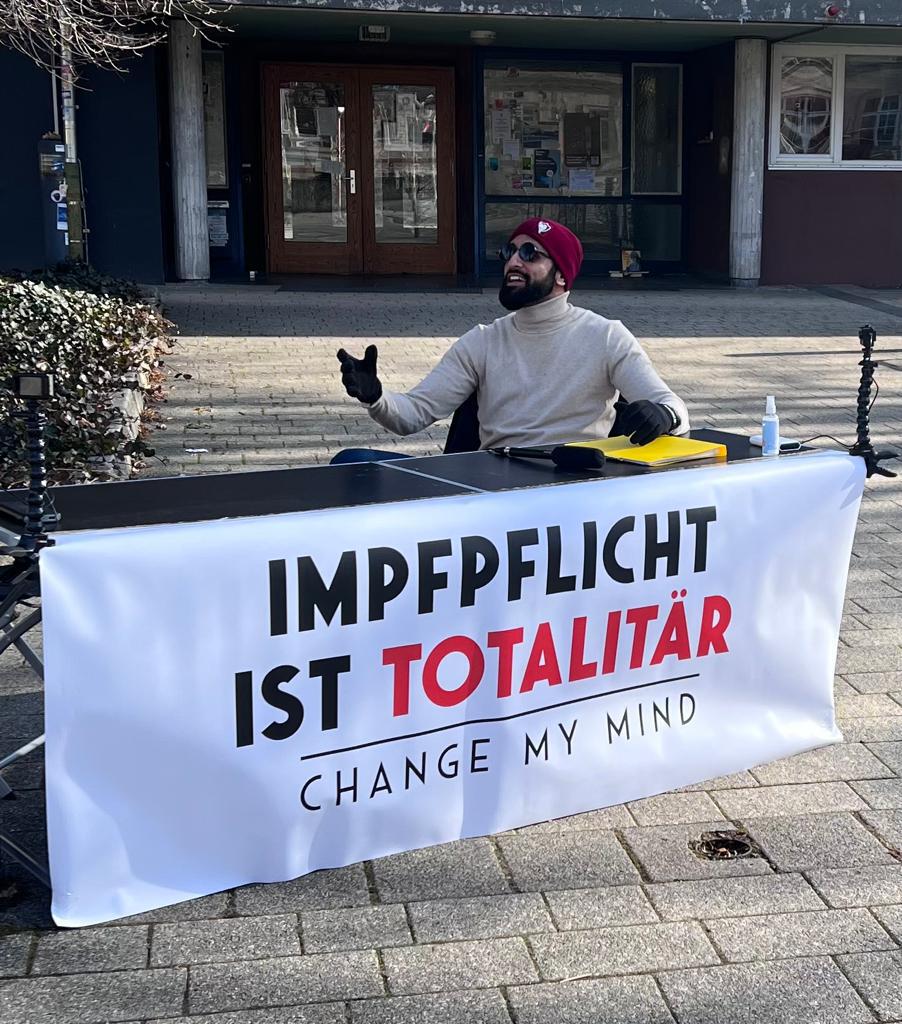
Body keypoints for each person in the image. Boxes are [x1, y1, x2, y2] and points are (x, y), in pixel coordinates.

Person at [334, 217, 688, 462]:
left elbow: (674, 409)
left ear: (563, 275)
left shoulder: (606, 336)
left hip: (574, 487)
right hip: (494, 484)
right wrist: (376, 396)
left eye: (530, 253)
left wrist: (663, 415)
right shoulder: (482, 342)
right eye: (510, 252)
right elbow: (412, 415)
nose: (513, 261)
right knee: (352, 462)